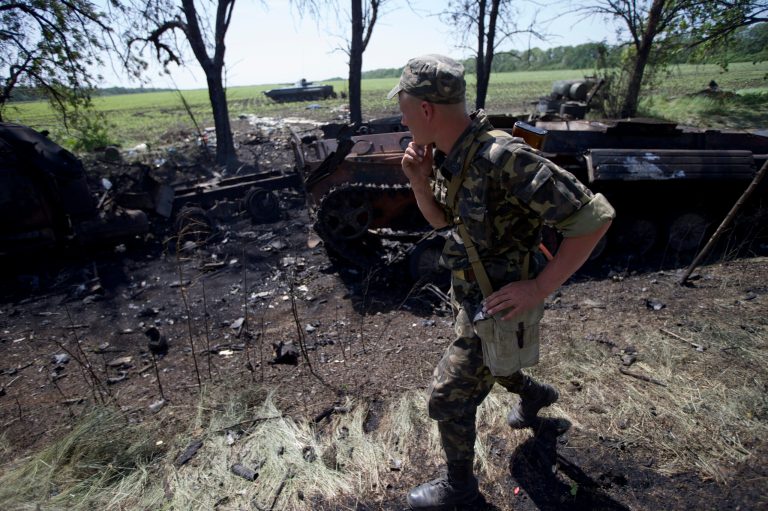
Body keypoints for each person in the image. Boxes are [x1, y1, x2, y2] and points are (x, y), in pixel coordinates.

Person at [387, 54, 615, 509]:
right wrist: (418, 180)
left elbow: (594, 218)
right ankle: (537, 395)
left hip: (503, 303)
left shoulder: (503, 156)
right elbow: (444, 223)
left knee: (448, 397)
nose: (402, 116)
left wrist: (539, 287)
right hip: (474, 298)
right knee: (497, 363)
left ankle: (460, 491)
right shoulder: (454, 155)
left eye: (405, 107)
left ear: (427, 109)